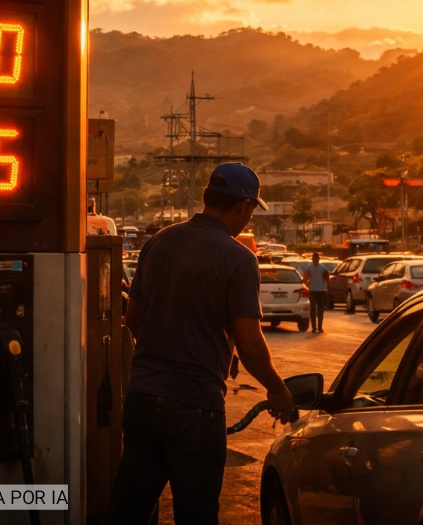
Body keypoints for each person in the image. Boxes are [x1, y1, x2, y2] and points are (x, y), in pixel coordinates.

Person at [109, 162, 295, 524]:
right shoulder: (239, 258)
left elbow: (132, 322)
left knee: (129, 511)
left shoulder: (159, 242)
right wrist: (278, 389)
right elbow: (249, 343)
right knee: (196, 515)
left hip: (141, 400)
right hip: (194, 407)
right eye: (251, 212)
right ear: (242, 207)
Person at [303, 252, 331, 333]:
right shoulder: (309, 268)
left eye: (316, 258)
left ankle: (320, 327)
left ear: (319, 259)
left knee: (320, 310)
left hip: (321, 291)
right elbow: (305, 278)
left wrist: (327, 287)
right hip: (312, 291)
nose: (315, 259)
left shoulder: (323, 268)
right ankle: (314, 328)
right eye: (314, 258)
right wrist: (307, 285)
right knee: (312, 310)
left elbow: (327, 278)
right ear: (312, 259)